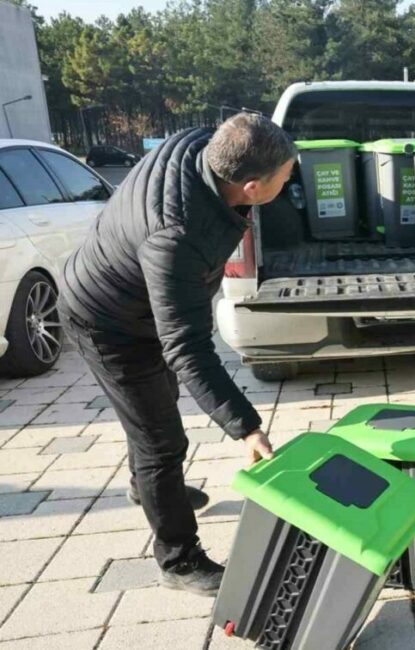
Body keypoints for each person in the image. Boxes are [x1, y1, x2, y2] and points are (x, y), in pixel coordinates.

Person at [59, 114, 296, 595]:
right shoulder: (177, 236)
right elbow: (187, 348)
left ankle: (146, 488)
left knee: (156, 409)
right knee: (161, 441)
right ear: (250, 186)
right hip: (108, 323)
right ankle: (178, 559)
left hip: (145, 304)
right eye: (286, 176)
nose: (292, 179)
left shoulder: (201, 145)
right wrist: (246, 427)